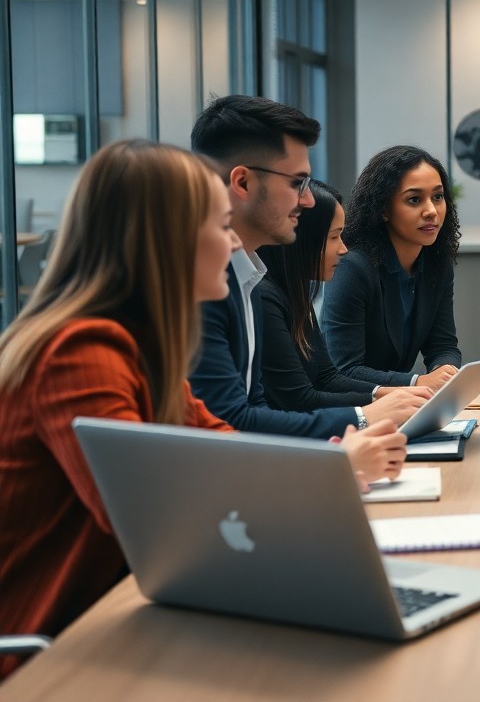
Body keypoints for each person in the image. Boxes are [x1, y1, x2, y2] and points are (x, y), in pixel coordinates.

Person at [0, 141, 405, 680]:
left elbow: (223, 451)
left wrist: (328, 472)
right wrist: (333, 471)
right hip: (54, 652)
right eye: (221, 227)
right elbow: (155, 519)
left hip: (126, 622)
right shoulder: (79, 351)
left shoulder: (146, 349)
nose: (235, 242)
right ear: (164, 244)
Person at [189, 96, 424, 438]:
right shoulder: (201, 285)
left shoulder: (248, 277)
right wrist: (363, 417)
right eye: (296, 182)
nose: (308, 200)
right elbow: (232, 422)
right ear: (242, 183)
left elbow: (254, 409)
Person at [260, 180, 433, 412]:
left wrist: (396, 393)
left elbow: (327, 378)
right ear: (301, 239)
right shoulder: (264, 299)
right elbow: (300, 400)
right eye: (334, 237)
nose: (343, 249)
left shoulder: (295, 292)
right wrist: (379, 405)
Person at [323, 146, 462, 390]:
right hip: (349, 409)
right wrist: (417, 381)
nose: (431, 210)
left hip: (398, 404)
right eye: (414, 199)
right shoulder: (352, 268)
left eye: (437, 197)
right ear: (384, 209)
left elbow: (443, 346)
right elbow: (343, 369)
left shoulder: (436, 264)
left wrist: (445, 373)